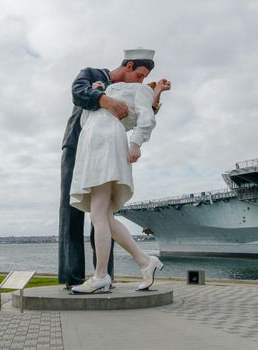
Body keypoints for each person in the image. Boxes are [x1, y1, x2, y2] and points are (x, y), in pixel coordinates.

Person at [59, 48, 168, 287]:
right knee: (86, 215)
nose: (142, 81)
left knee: (98, 214)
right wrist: (103, 97)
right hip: (81, 145)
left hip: (103, 145)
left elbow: (142, 114)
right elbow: (79, 93)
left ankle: (101, 276)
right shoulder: (93, 76)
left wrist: (136, 142)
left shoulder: (133, 89)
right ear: (128, 66)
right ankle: (141, 261)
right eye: (139, 75)